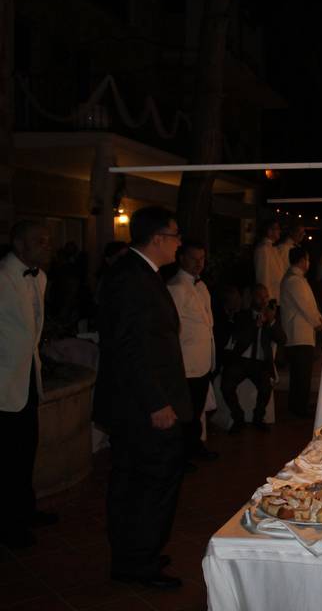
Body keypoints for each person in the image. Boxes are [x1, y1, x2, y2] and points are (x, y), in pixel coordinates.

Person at [93, 206, 191, 590]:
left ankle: (135, 553)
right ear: (157, 239)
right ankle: (139, 561)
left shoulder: (138, 274)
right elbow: (129, 349)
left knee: (135, 482)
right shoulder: (131, 278)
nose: (180, 242)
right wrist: (156, 403)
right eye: (176, 235)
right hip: (142, 408)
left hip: (140, 404)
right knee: (150, 484)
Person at [0, 221, 57, 549]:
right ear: (19, 245)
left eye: (48, 241)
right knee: (7, 459)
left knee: (25, 452)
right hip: (5, 384)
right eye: (40, 241)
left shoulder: (41, 278)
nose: (47, 246)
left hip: (27, 380)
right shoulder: (3, 277)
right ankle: (9, 527)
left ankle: (25, 511)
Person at [167, 240, 219, 464]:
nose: (199, 263)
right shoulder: (176, 287)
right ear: (181, 259)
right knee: (185, 415)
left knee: (197, 410)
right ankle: (182, 456)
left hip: (202, 362)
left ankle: (195, 448)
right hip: (186, 364)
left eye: (202, 259)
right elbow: (171, 330)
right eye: (193, 259)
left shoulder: (201, 286)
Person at [220, 283, 286, 431]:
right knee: (226, 385)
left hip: (260, 363)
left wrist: (272, 321)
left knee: (265, 387)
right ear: (252, 298)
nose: (263, 300)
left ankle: (258, 418)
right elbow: (240, 340)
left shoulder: (272, 317)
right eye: (260, 297)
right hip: (242, 360)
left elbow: (283, 340)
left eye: (266, 297)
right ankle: (238, 417)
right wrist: (255, 326)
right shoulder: (242, 316)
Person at [280, 247, 322, 418]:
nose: (309, 263)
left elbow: (308, 304)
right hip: (298, 334)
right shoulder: (294, 281)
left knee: (301, 374)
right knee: (301, 375)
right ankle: (298, 408)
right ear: (301, 261)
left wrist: (317, 317)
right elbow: (305, 306)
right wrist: (317, 321)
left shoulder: (296, 279)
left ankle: (299, 405)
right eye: (307, 259)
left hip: (301, 333)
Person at [254, 219, 284, 301]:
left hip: (277, 296)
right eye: (277, 228)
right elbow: (263, 276)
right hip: (271, 298)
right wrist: (266, 300)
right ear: (269, 231)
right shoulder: (263, 249)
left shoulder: (273, 248)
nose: (280, 231)